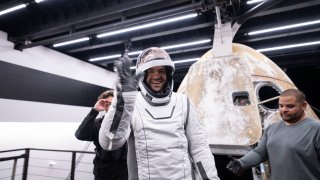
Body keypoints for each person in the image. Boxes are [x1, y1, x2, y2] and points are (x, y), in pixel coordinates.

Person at [99, 47, 220, 180]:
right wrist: (123, 102)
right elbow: (110, 143)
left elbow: (199, 148)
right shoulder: (132, 103)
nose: (156, 76)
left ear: (168, 74)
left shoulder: (183, 101)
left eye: (161, 71)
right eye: (150, 71)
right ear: (143, 75)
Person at [226, 88, 320, 180]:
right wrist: (241, 163)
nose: (284, 110)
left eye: (290, 106)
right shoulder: (272, 128)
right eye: (281, 106)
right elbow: (260, 153)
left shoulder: (316, 129)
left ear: (304, 106)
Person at [75, 90, 128, 180]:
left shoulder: (128, 124)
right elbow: (80, 135)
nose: (112, 108)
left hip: (124, 174)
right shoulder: (97, 124)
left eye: (114, 104)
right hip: (102, 174)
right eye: (108, 104)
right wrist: (94, 110)